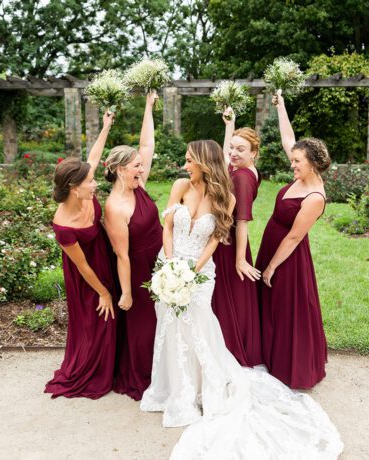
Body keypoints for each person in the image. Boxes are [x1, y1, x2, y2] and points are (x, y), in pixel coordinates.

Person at [140, 139, 343, 459]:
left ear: (203, 163)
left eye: (189, 158)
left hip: (200, 272)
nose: (184, 163)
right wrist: (170, 266)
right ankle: (176, 389)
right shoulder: (180, 184)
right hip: (170, 265)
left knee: (200, 327)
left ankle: (208, 387)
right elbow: (167, 227)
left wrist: (191, 270)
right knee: (170, 328)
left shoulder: (228, 196)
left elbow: (218, 237)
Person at [256, 90, 330, 389]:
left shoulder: (315, 196)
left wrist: (272, 267)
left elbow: (295, 236)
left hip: (287, 256)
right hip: (272, 245)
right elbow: (290, 139)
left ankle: (290, 365)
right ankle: (265, 353)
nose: (292, 164)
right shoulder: (301, 175)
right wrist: (281, 105)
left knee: (286, 309)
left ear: (311, 163)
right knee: (268, 304)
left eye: (297, 161)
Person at [45, 112, 117, 399]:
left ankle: (112, 364)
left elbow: (94, 156)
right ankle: (92, 367)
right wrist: (103, 292)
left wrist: (106, 125)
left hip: (104, 254)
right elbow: (83, 267)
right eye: (90, 182)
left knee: (111, 319)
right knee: (96, 320)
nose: (95, 183)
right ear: (75, 190)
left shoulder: (83, 188)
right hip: (85, 274)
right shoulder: (63, 226)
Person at [104, 91, 162, 401]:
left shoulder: (140, 185)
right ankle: (145, 376)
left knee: (166, 321)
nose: (142, 168)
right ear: (119, 169)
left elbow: (147, 145)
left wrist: (148, 107)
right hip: (138, 271)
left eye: (141, 165)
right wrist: (126, 292)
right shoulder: (114, 207)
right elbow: (121, 255)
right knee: (144, 326)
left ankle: (167, 372)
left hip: (162, 260)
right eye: (136, 166)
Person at [212, 107, 263, 367]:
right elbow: (224, 159)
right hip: (228, 240)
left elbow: (241, 221)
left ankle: (232, 351)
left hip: (231, 244)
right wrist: (229, 127)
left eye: (240, 150)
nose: (233, 153)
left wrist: (240, 260)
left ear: (253, 153)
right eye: (232, 148)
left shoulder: (242, 178)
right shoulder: (244, 169)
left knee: (230, 299)